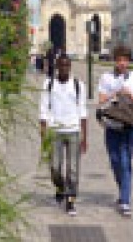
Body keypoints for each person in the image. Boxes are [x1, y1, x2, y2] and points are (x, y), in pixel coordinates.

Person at [97, 45, 133, 217]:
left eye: (125, 60)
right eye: (119, 60)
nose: (122, 63)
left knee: (125, 161)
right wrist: (115, 93)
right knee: (115, 160)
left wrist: (130, 94)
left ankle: (125, 200)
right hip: (111, 124)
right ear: (115, 61)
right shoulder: (106, 77)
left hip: (129, 124)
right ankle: (122, 188)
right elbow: (101, 100)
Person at [40, 55, 88, 216]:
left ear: (70, 67)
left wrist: (85, 137)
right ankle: (60, 187)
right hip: (55, 131)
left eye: (67, 66)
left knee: (73, 169)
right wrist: (43, 132)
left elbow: (83, 111)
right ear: (57, 67)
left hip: (73, 130)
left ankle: (70, 200)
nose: (64, 69)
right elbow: (43, 109)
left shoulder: (78, 85)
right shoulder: (49, 84)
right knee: (55, 167)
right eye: (61, 66)